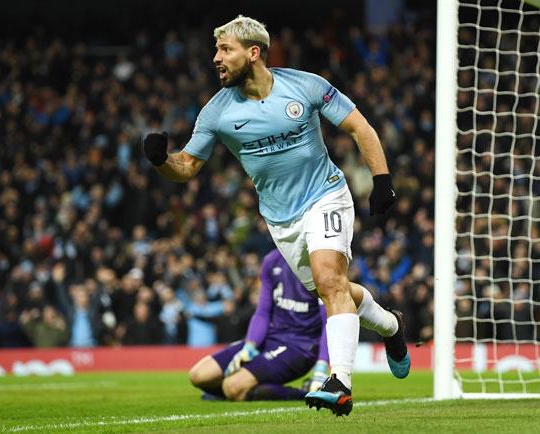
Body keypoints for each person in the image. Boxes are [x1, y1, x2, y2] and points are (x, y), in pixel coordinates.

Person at [143, 15, 409, 416]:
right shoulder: (216, 112)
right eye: (216, 50)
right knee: (333, 288)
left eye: (225, 49)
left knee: (328, 279)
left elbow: (360, 127)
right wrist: (161, 160)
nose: (216, 58)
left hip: (326, 196)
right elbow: (187, 168)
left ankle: (339, 383)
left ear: (253, 53)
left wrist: (382, 180)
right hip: (280, 219)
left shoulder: (305, 86)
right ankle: (391, 326)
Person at [188, 249, 329, 401]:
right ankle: (244, 391)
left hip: (300, 347)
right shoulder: (272, 260)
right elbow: (263, 311)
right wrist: (250, 345)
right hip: (270, 338)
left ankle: (304, 394)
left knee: (232, 386)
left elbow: (328, 321)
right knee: (198, 375)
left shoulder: (318, 262)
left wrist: (322, 364)